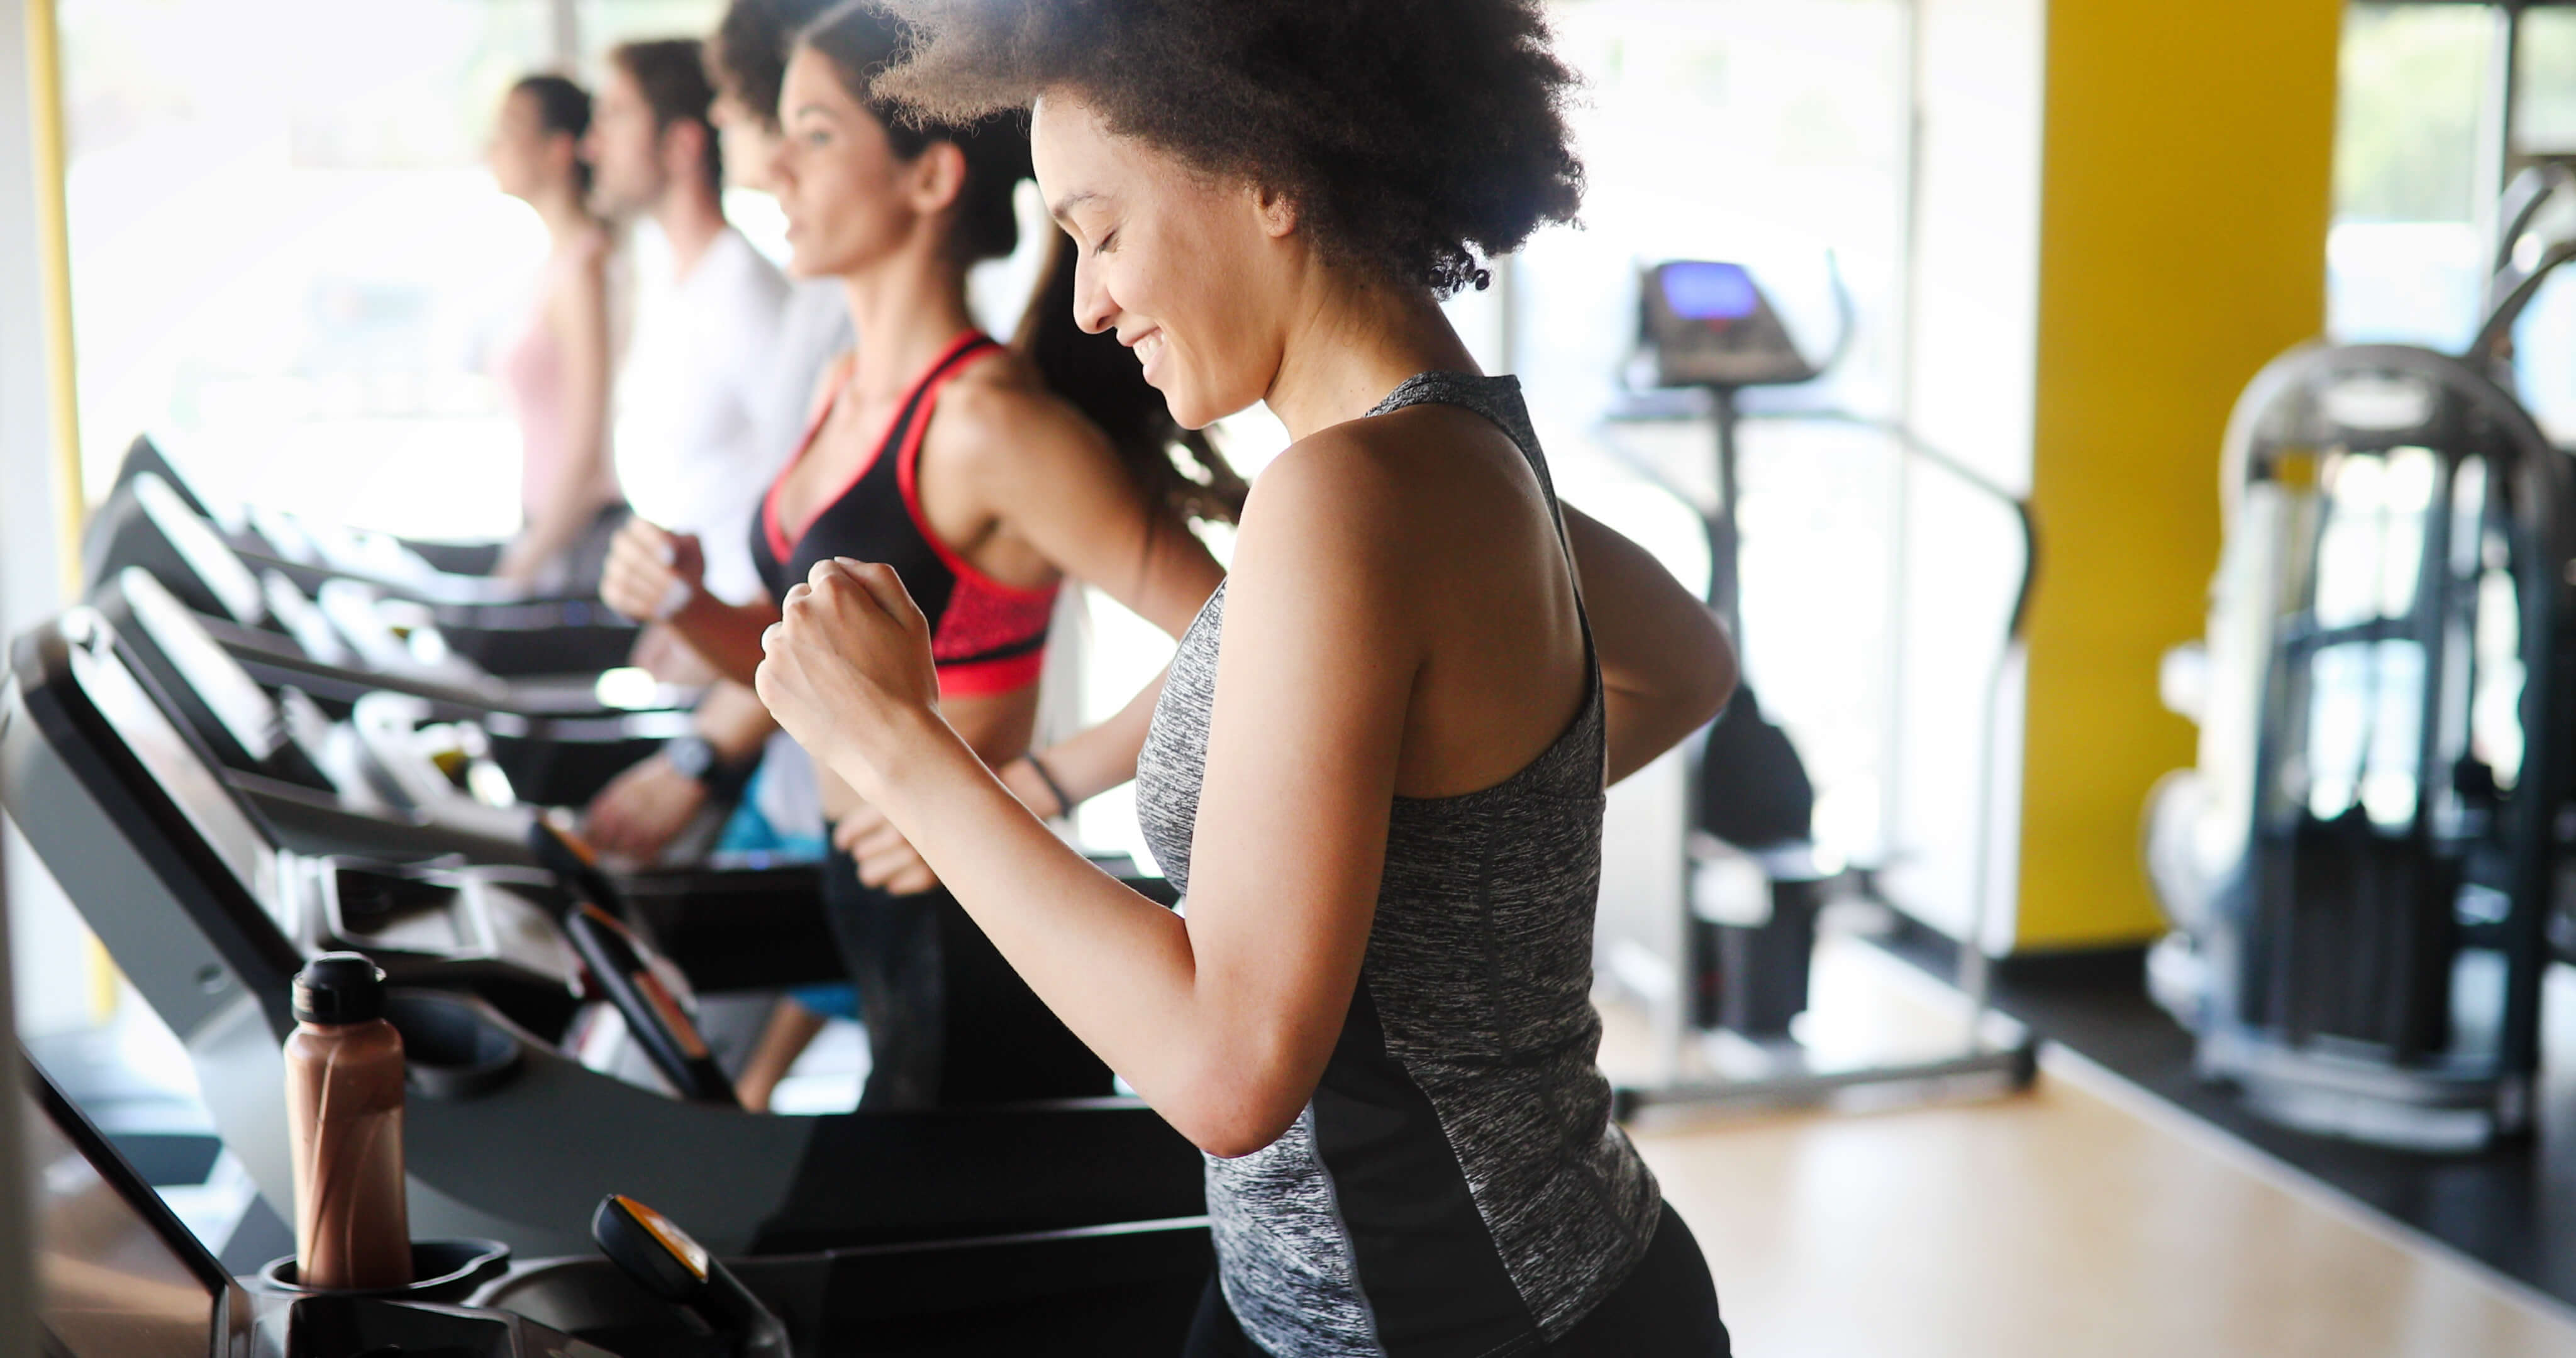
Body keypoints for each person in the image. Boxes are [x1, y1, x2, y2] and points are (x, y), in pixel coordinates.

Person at [753, 1, 1740, 1353]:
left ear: (1267, 172)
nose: (1089, 301)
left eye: (1103, 231)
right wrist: (1420, 831)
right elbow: (1684, 665)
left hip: (1450, 1312)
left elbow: (1228, 1075)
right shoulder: (1458, 453)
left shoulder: (1344, 495)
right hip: (1467, 1276)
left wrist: (903, 750)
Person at [597, 1, 1237, 1112]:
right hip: (872, 913)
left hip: (974, 943)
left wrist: (1041, 784)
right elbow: (812, 674)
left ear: (930, 180)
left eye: (816, 135)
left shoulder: (987, 424)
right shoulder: (844, 389)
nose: (775, 174)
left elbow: (1244, 630)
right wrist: (692, 605)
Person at [585, 38, 794, 663]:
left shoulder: (745, 296)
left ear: (681, 144)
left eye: (617, 115)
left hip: (748, 659)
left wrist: (723, 633)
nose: (592, 145)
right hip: (696, 641)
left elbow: (814, 507)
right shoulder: (673, 281)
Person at [484, 75, 621, 589]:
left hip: (571, 541)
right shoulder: (558, 264)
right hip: (544, 529)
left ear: (560, 149)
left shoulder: (586, 269)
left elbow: (587, 457)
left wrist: (520, 568)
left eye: (510, 129)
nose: (492, 147)